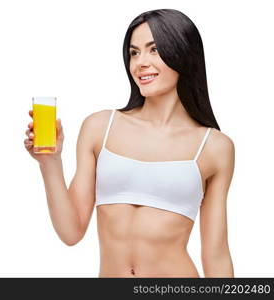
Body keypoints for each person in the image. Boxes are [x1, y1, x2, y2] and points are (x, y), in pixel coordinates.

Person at [24, 9, 235, 278]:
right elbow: (71, 232)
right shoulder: (100, 127)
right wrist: (50, 162)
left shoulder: (214, 147)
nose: (140, 63)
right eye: (134, 52)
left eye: (154, 50)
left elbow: (215, 254)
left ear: (182, 54)